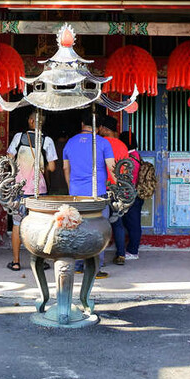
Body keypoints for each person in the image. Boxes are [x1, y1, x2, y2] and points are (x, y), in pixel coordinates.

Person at [63, 110, 115, 278]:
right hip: (98, 194)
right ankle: (95, 268)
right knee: (98, 231)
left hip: (76, 195)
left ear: (82, 125)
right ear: (98, 128)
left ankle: (78, 265)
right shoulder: (103, 143)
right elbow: (112, 168)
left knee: (77, 229)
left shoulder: (70, 143)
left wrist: (71, 188)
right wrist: (117, 187)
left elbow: (65, 168)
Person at [6, 110, 57, 271]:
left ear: (30, 121)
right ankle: (40, 262)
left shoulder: (18, 138)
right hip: (38, 190)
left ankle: (15, 262)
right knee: (40, 225)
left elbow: (8, 159)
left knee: (16, 224)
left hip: (19, 189)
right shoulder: (47, 140)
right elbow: (53, 167)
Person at [114, 130, 145, 265]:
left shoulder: (129, 158)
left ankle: (133, 251)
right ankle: (131, 249)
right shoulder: (136, 155)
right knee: (133, 222)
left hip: (130, 195)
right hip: (136, 194)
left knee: (133, 224)